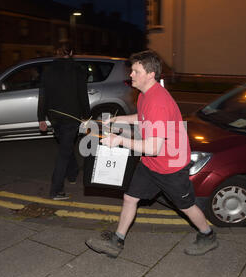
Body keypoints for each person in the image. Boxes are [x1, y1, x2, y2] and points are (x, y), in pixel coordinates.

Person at [85, 50, 218, 257]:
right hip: (151, 163)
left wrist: (119, 140)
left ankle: (208, 235)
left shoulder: (158, 101)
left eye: (136, 71)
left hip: (170, 166)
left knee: (186, 206)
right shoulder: (145, 95)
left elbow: (153, 147)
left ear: (150, 74)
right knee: (130, 198)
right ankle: (117, 241)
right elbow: (142, 117)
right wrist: (116, 120)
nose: (131, 75)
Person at [37, 43, 90, 200]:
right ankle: (56, 191)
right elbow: (82, 94)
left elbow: (43, 96)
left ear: (56, 53)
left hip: (54, 117)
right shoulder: (78, 70)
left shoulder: (48, 71)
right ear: (72, 52)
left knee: (65, 147)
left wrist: (41, 118)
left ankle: (72, 173)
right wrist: (87, 116)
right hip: (71, 117)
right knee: (64, 152)